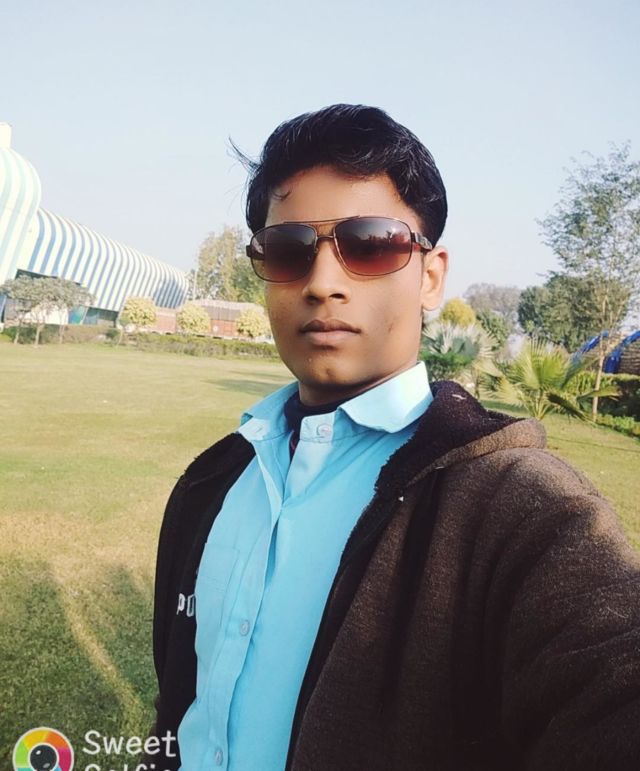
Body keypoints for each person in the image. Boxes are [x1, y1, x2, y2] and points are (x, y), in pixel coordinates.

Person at [145, 104, 640, 771]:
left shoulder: (523, 513)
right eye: (288, 250)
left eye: (371, 245)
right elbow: (181, 704)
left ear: (430, 276)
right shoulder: (214, 481)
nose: (323, 284)